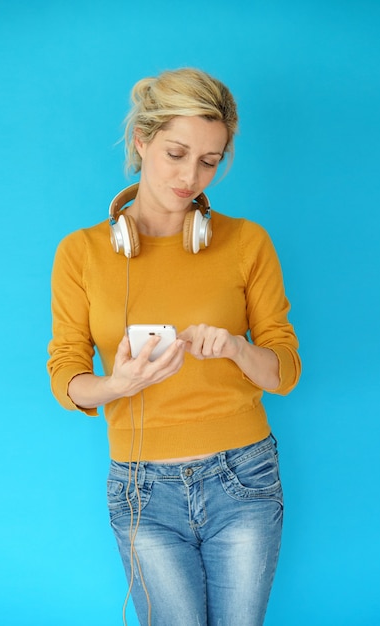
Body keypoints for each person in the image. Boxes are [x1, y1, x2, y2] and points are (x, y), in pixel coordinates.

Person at [47, 67, 301, 626]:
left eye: (210, 161)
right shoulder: (81, 254)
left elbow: (283, 370)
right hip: (141, 486)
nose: (191, 176)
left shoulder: (247, 243)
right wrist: (115, 385)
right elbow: (66, 372)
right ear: (142, 142)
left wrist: (237, 348)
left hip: (244, 478)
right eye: (176, 153)